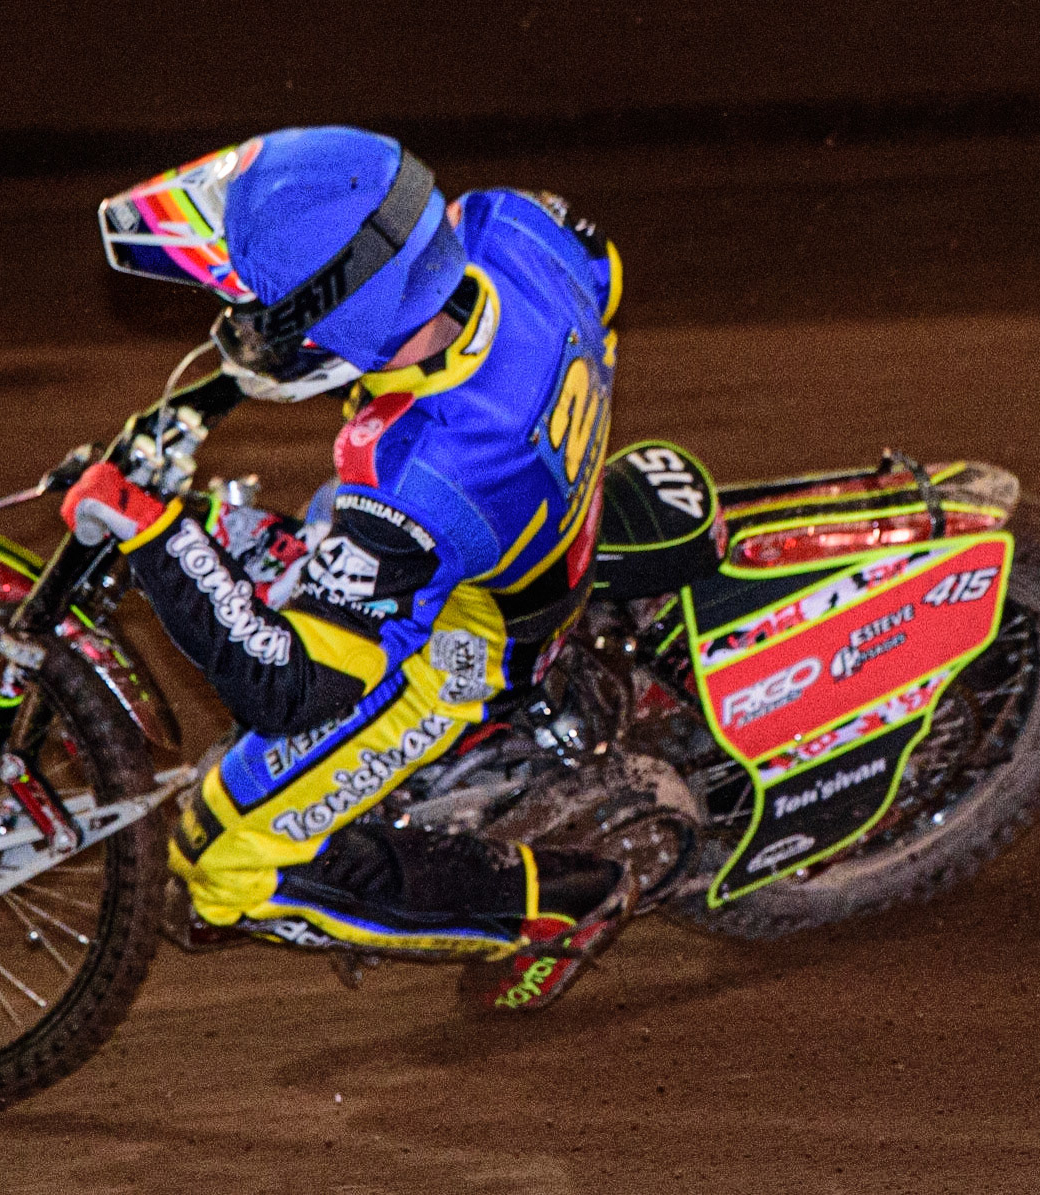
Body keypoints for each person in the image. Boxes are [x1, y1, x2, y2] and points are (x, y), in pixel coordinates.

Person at [64, 126, 628, 1011]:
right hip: (529, 515)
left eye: (259, 308)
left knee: (218, 855)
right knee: (260, 536)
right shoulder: (500, 229)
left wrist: (154, 534)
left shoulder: (416, 480)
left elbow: (287, 690)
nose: (240, 325)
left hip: (466, 634)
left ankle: (555, 907)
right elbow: (601, 270)